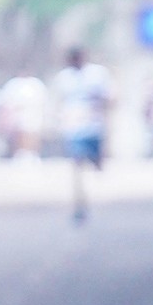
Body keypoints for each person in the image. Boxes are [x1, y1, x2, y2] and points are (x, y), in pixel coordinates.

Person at [54, 44, 114, 224]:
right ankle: (80, 204)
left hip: (94, 127)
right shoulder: (63, 78)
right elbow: (59, 101)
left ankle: (96, 166)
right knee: (77, 165)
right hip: (74, 128)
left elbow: (108, 99)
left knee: (96, 163)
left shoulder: (97, 74)